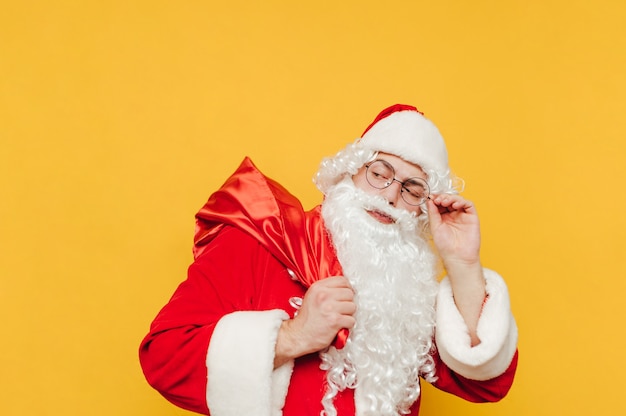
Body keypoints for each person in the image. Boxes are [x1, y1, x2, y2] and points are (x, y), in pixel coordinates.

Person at [139, 104, 518, 416]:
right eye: (379, 173)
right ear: (349, 173)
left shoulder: (406, 287)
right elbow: (163, 357)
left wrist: (463, 263)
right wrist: (292, 336)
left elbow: (486, 383)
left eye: (411, 189)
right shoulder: (263, 241)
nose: (389, 197)